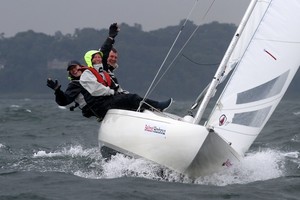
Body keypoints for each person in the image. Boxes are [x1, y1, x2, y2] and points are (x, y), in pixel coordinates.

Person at [47, 23, 120, 118]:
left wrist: (110, 37)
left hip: (107, 102)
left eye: (75, 67)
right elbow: (64, 101)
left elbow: (103, 53)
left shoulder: (92, 73)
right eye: (71, 70)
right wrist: (57, 91)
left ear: (81, 67)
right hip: (96, 109)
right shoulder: (74, 85)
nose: (74, 70)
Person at [79, 49, 173, 120]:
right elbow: (96, 90)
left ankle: (151, 114)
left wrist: (123, 94)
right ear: (90, 59)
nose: (98, 59)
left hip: (108, 101)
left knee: (130, 99)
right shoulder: (87, 74)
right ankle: (157, 106)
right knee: (132, 98)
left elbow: (116, 88)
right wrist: (112, 92)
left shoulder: (103, 73)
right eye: (95, 57)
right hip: (100, 106)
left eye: (99, 57)